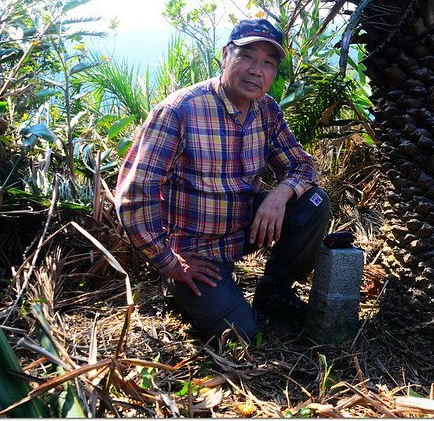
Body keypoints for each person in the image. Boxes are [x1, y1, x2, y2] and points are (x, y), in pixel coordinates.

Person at [115, 18, 330, 343]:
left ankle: (274, 292)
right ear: (225, 55)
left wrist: (280, 194)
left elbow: (302, 166)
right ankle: (185, 292)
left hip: (243, 228)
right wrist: (169, 262)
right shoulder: (180, 111)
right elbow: (134, 196)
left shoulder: (265, 110)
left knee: (314, 202)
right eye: (247, 56)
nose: (256, 70)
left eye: (268, 63)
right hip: (196, 253)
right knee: (241, 337)